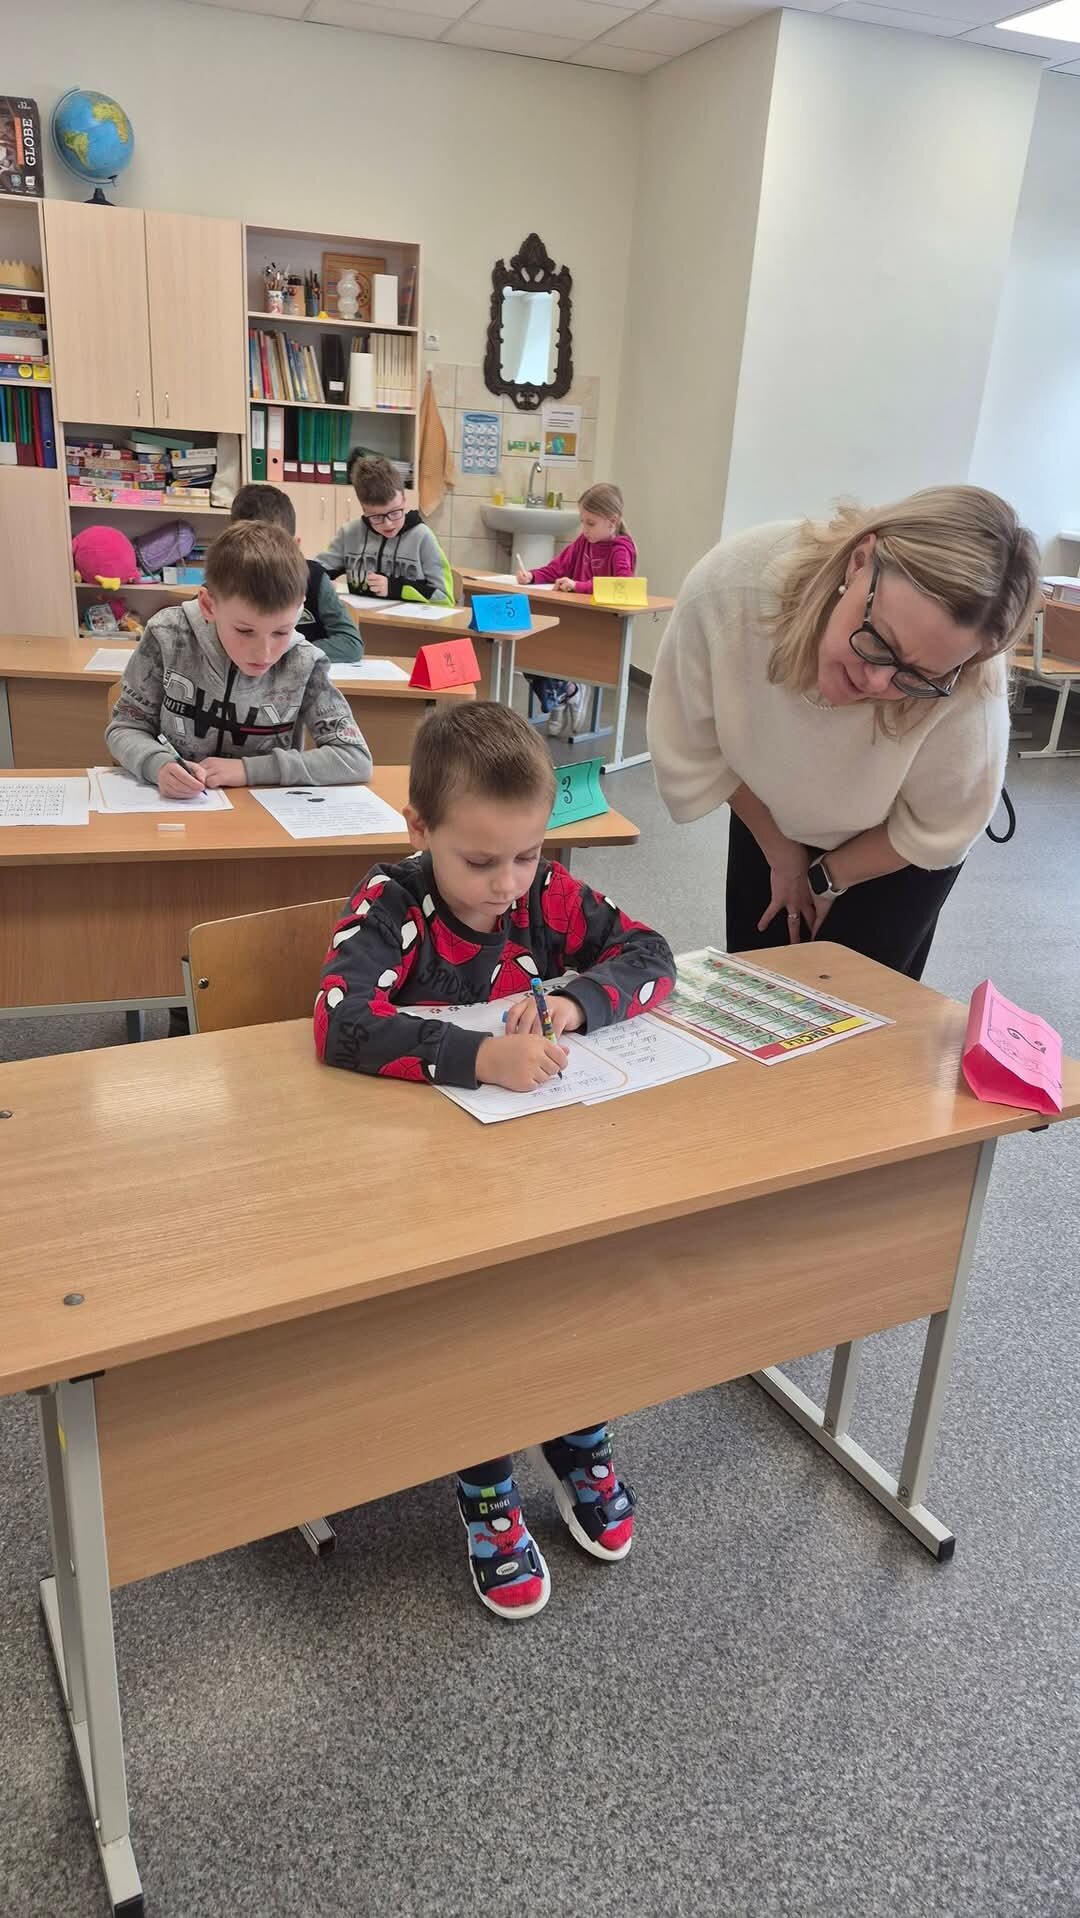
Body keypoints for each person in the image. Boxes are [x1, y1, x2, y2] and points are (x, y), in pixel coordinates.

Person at [314, 701, 675, 1619]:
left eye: (527, 854)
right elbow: (341, 1023)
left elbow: (651, 953)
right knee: (475, 1312)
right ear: (419, 829)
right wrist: (480, 1057)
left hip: (535, 1164)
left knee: (580, 1281)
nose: (508, 885)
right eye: (480, 862)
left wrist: (576, 1004)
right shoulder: (393, 903)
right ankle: (483, 1476)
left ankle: (576, 1427)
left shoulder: (544, 893)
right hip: (420, 1180)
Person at [647, 486, 1041, 980]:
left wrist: (827, 877)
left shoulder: (968, 687)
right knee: (756, 975)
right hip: (769, 807)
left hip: (895, 846)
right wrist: (783, 855)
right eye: (880, 640)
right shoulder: (734, 589)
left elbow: (940, 828)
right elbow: (700, 750)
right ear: (859, 561)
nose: (875, 681)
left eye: (916, 676)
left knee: (861, 994)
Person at [106, 520, 372, 795]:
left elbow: (353, 758)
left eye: (281, 632)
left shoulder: (303, 661)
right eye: (245, 631)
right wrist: (157, 764)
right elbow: (125, 728)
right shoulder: (168, 635)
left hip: (261, 812)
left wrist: (250, 770)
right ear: (208, 605)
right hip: (177, 807)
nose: (264, 653)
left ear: (299, 608)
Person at [518, 482, 637, 738]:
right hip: (574, 619)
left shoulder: (621, 549)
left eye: (590, 523)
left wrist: (578, 586)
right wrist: (532, 576)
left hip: (601, 627)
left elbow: (623, 586)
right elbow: (556, 569)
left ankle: (565, 694)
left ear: (612, 521)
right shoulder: (584, 542)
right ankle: (565, 694)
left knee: (553, 649)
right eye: (582, 522)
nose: (585, 529)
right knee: (528, 647)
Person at [229, 481, 362, 663]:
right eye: (251, 550)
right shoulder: (224, 580)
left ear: (294, 545)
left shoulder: (313, 578)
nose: (263, 562)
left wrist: (283, 653)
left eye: (273, 550)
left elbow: (351, 645)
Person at [315, 454, 453, 606]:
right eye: (376, 517)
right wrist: (322, 583)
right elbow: (314, 572)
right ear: (364, 509)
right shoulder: (349, 534)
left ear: (404, 500)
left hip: (408, 620)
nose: (388, 524)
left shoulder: (423, 537)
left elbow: (445, 598)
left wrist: (395, 588)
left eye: (395, 512)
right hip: (361, 619)